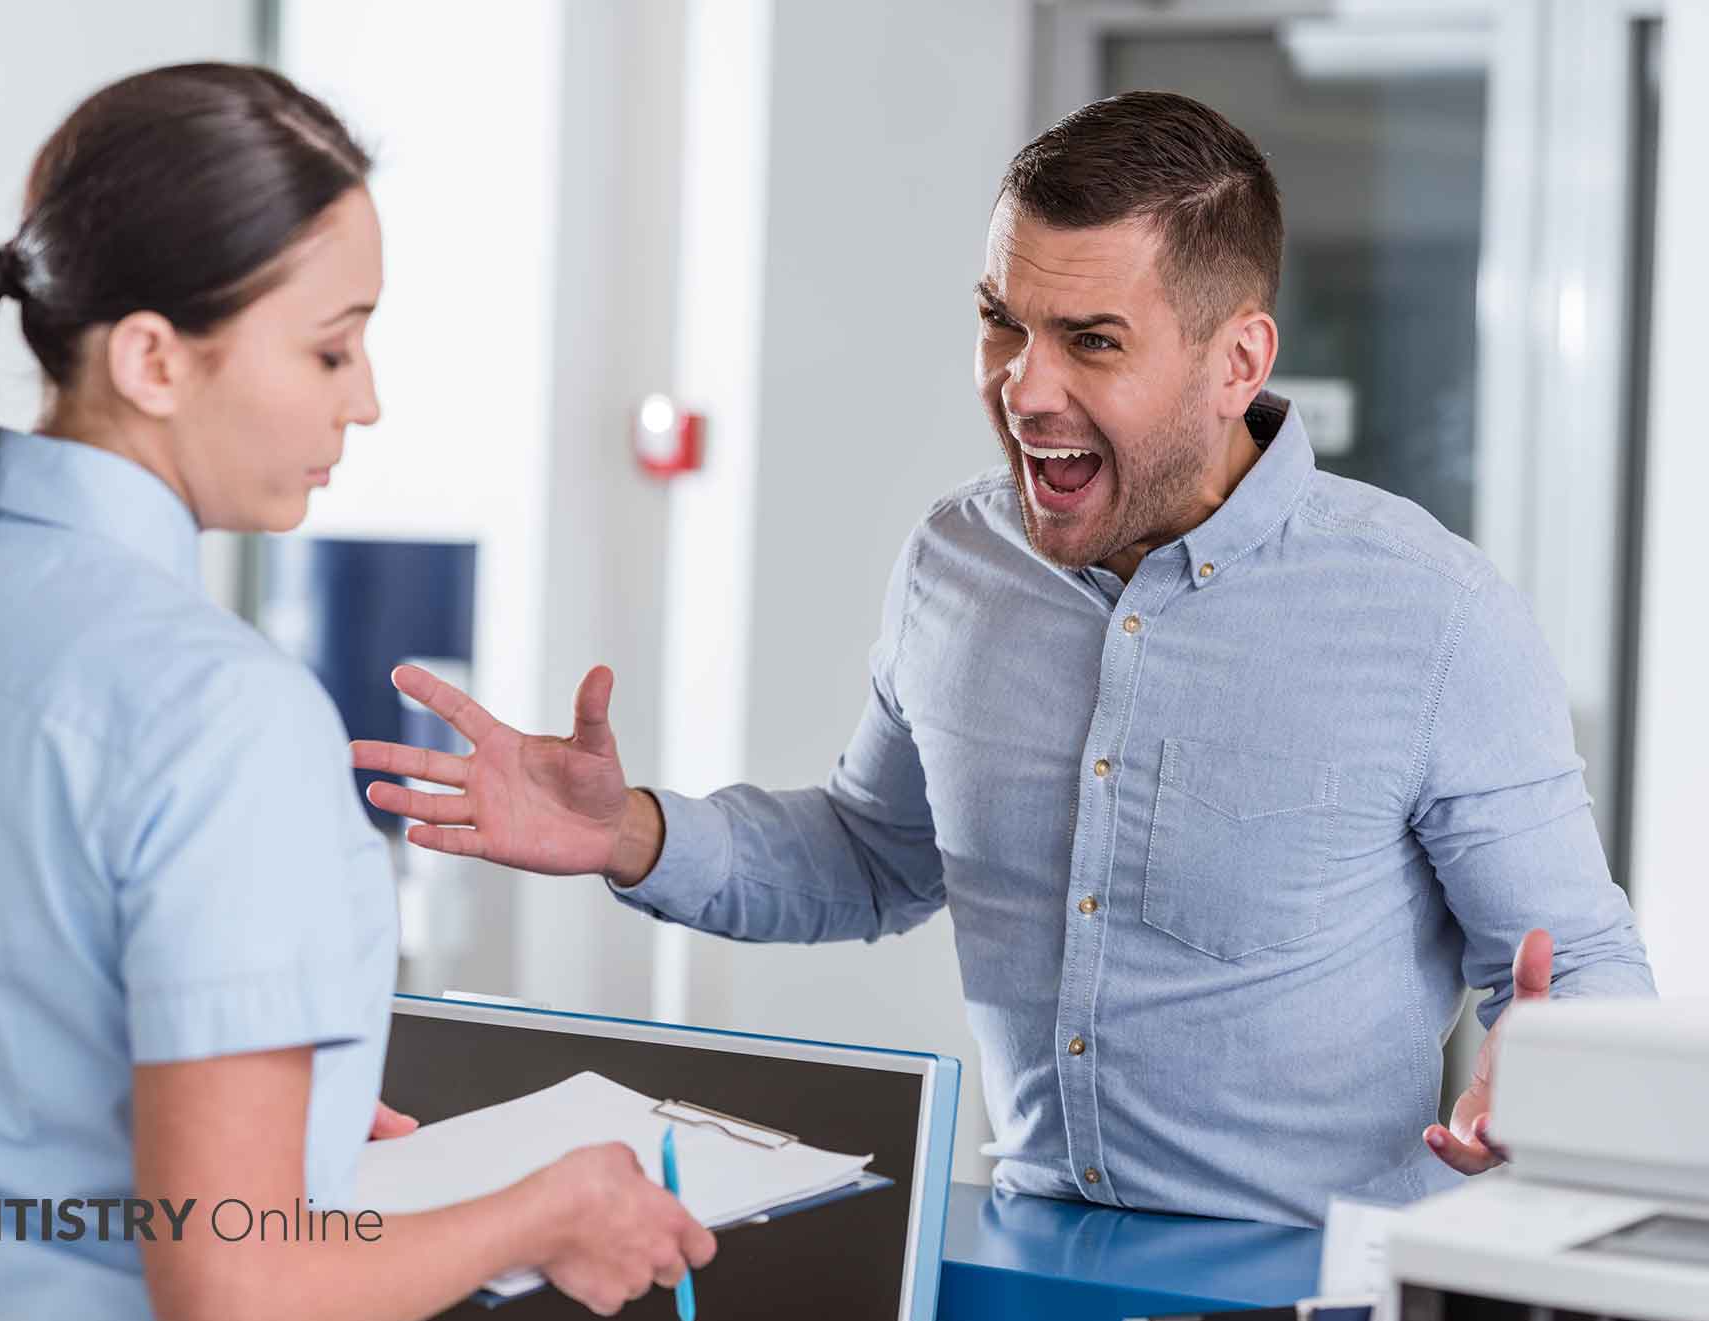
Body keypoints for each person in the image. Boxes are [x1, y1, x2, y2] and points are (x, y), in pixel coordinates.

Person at [355, 91, 1657, 1228]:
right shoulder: (955, 564)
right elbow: (871, 856)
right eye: (1001, 322)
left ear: (1236, 360)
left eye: (1091, 339)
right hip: (1025, 1254)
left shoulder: (1432, 614)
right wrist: (630, 833)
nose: (1020, 387)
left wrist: (1546, 1075)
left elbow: (1577, 966)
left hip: (1315, 1281)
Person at [0, 63, 712, 1321]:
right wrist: (544, 1210)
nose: (365, 397)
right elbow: (237, 1296)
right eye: (330, 346)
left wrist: (254, 1114)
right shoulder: (214, 705)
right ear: (151, 359)